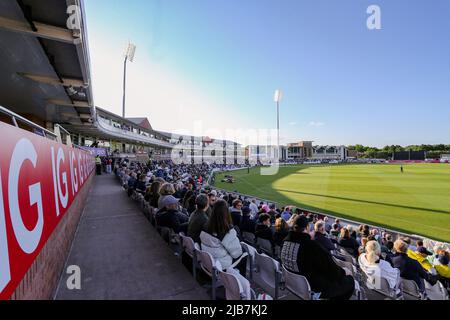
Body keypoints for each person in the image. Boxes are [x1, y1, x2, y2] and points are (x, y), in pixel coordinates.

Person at [280, 216, 355, 300]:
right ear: (307, 227)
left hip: (293, 282)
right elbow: (330, 268)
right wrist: (343, 271)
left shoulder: (285, 241)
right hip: (311, 286)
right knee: (350, 281)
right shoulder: (311, 245)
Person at [200, 200, 246, 275]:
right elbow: (237, 254)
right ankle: (240, 282)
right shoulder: (226, 231)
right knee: (245, 254)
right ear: (226, 213)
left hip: (209, 261)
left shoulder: (205, 225)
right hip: (221, 265)